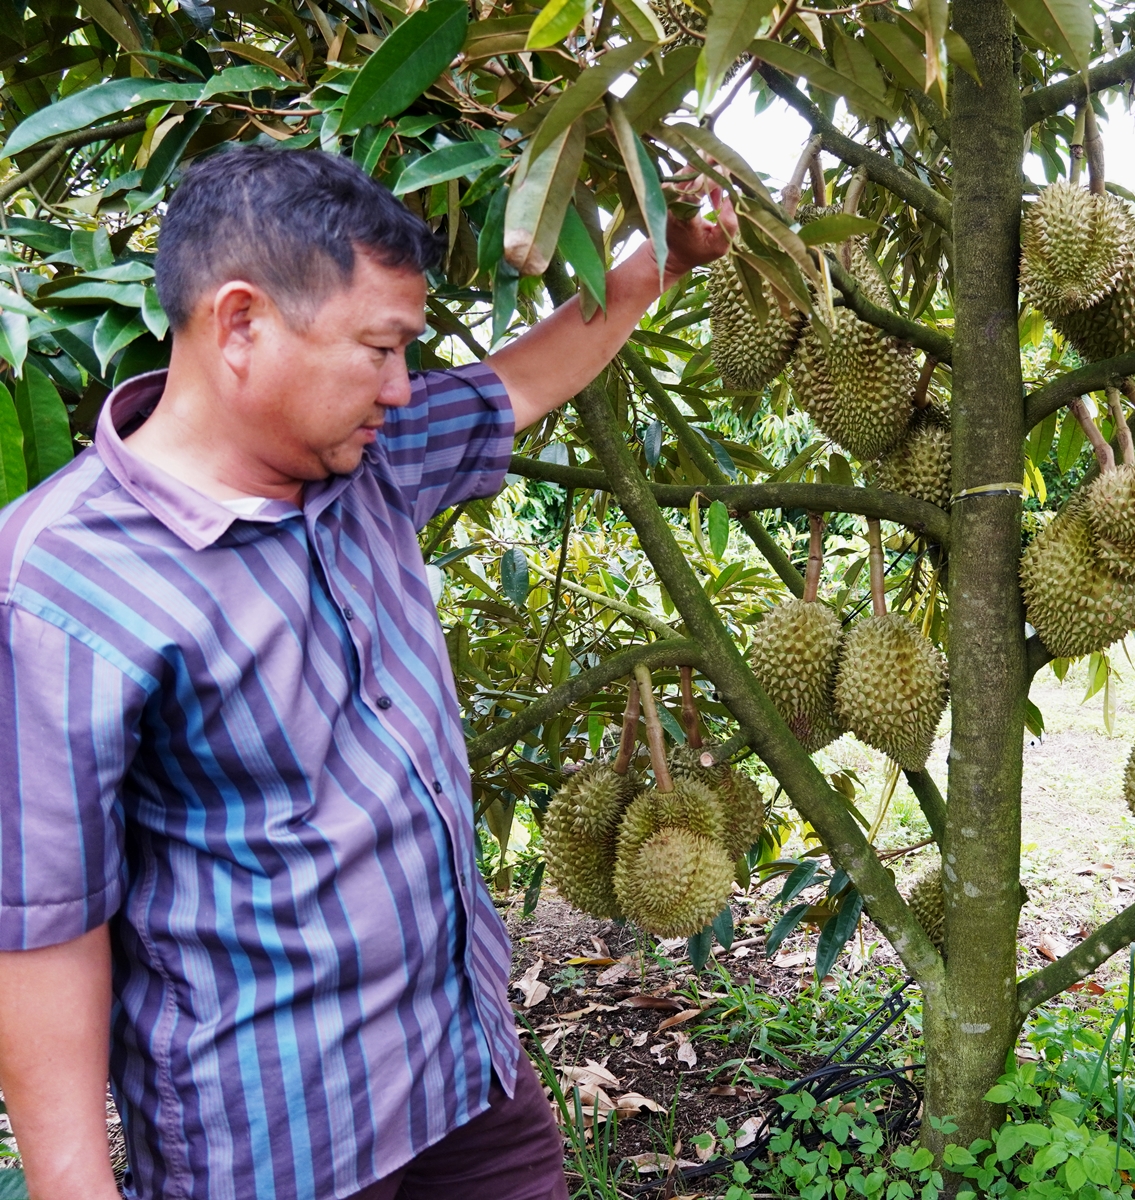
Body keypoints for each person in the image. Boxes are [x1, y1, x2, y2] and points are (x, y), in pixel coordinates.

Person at [0, 147, 734, 1200]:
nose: (401, 384)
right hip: (277, 1138)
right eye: (379, 348)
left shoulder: (367, 458)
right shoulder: (64, 585)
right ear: (241, 324)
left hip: (462, 1069)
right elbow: (42, 927)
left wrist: (653, 266)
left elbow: (512, 388)